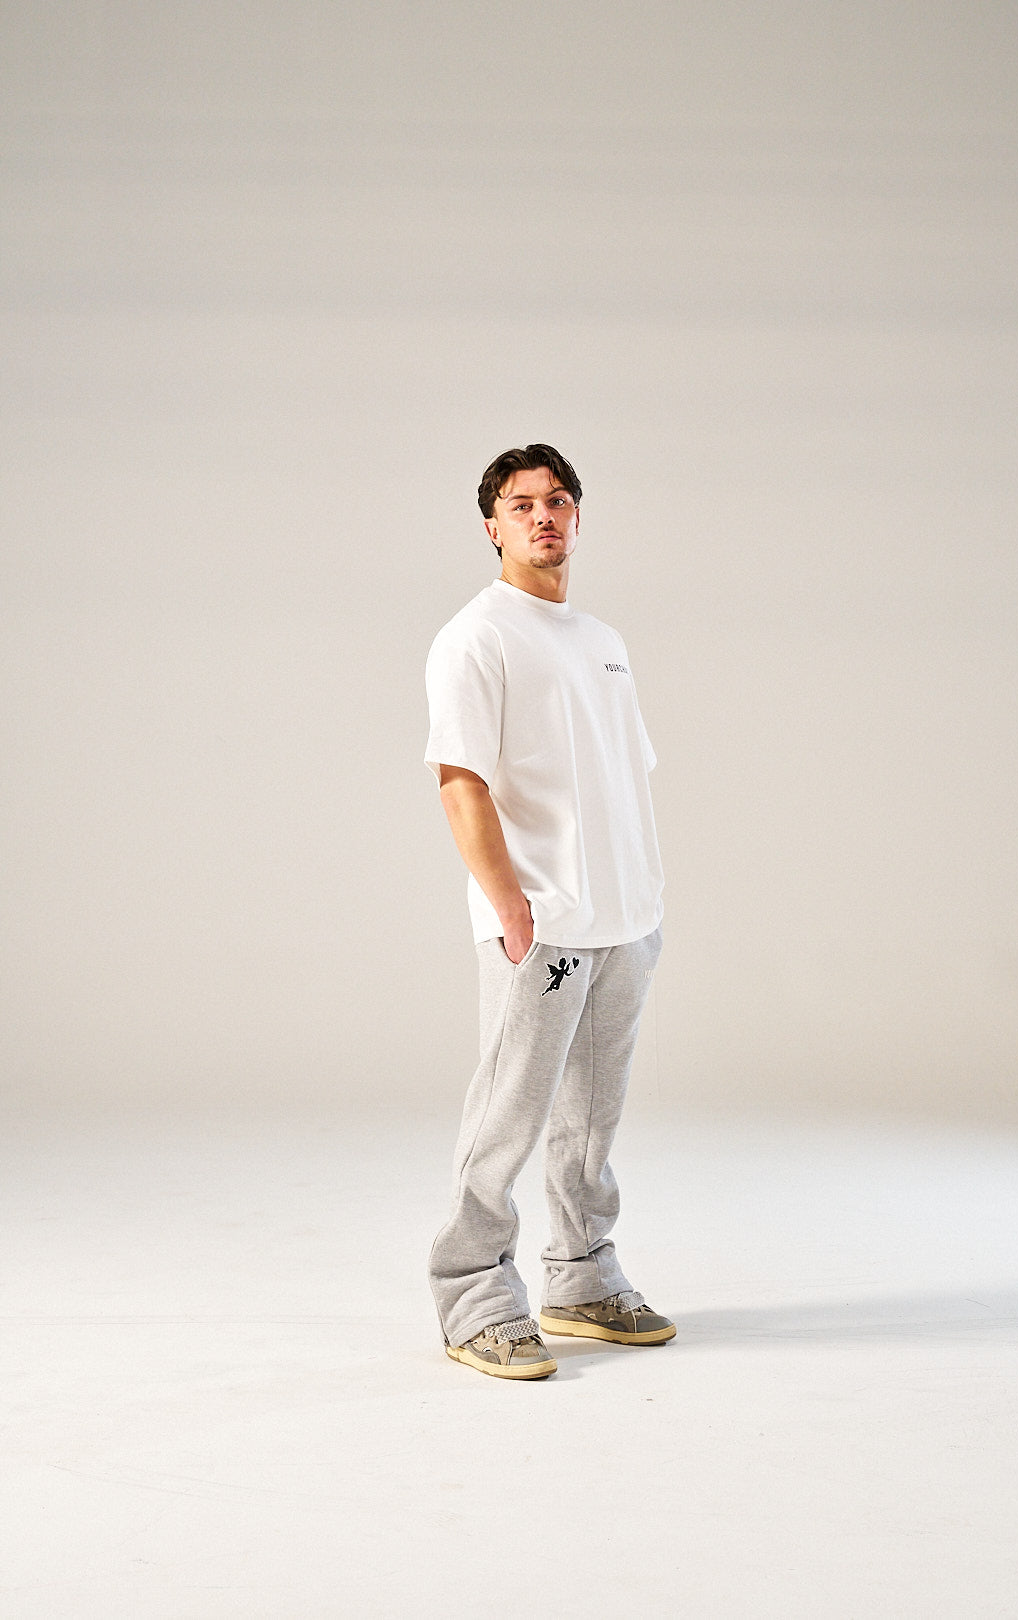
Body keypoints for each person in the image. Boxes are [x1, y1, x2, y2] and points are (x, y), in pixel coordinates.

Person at [424, 443, 675, 1380]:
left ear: (577, 517)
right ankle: (473, 1296)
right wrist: (510, 906)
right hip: (543, 923)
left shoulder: (602, 640)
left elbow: (623, 776)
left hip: (625, 920)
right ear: (491, 525)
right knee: (508, 1120)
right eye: (522, 503)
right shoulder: (476, 637)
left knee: (590, 1124)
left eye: (558, 500)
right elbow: (461, 781)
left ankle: (581, 1276)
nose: (543, 516)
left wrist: (644, 899)